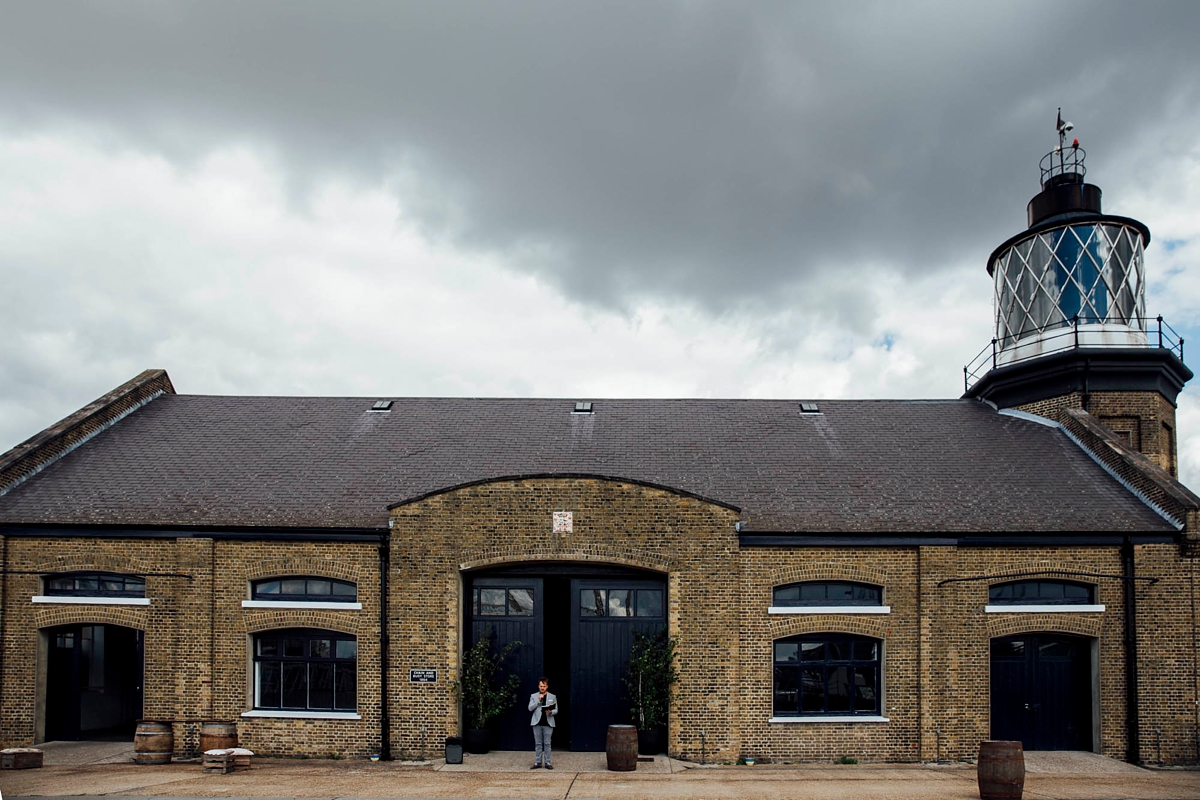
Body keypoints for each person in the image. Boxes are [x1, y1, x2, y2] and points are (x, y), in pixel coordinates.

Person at [528, 677, 558, 769]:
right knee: (538, 743)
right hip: (537, 723)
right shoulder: (533, 696)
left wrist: (551, 712)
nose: (542, 688)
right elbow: (530, 708)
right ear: (538, 686)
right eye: (541, 686)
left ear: (547, 687)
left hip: (548, 723)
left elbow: (556, 709)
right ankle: (538, 762)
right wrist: (538, 700)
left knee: (547, 743)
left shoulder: (552, 697)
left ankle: (548, 762)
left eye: (544, 686)